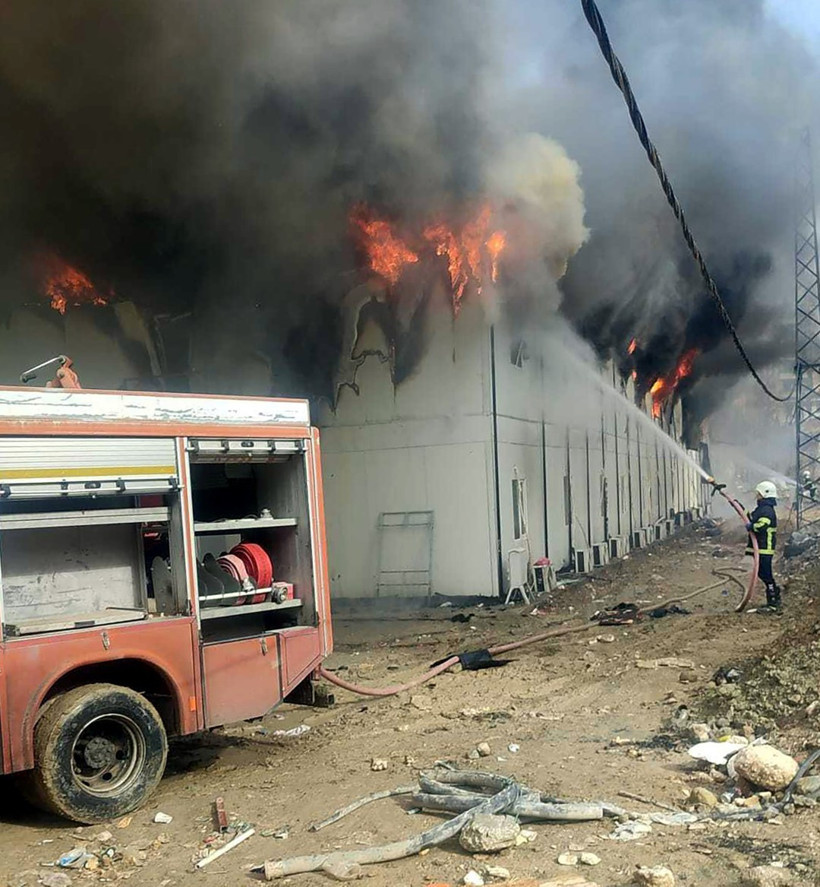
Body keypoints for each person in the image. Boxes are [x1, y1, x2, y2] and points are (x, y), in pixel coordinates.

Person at [746, 480, 780, 613]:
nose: (757, 496)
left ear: (765, 494)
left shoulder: (767, 510)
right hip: (760, 547)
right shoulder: (761, 509)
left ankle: (773, 601)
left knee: (765, 574)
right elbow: (751, 517)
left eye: (758, 494)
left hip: (764, 547)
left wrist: (752, 526)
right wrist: (736, 504)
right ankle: (774, 595)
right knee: (761, 572)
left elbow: (761, 525)